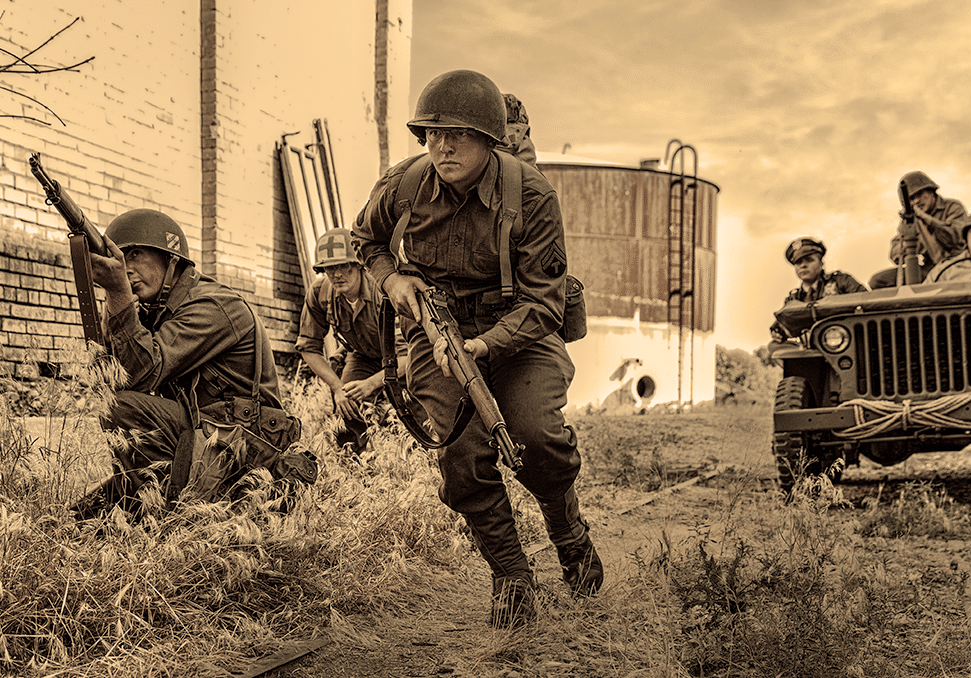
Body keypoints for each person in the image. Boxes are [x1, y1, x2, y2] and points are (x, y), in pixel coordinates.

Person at [351, 69, 602, 629]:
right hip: (435, 328)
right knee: (461, 458)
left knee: (536, 437)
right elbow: (365, 239)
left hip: (517, 330)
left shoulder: (531, 195)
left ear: (489, 139)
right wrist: (393, 279)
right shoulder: (403, 185)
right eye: (432, 135)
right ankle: (511, 575)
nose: (442, 147)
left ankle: (567, 532)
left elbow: (544, 304)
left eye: (457, 135)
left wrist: (485, 345)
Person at [73, 209, 300, 517]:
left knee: (120, 407)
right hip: (202, 437)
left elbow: (141, 375)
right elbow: (113, 378)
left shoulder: (213, 305)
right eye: (120, 258)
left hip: (241, 450)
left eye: (136, 254)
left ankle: (161, 513)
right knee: (79, 518)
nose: (126, 268)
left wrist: (118, 293)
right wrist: (112, 310)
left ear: (171, 259)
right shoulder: (159, 310)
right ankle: (149, 505)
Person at [296, 227, 407, 453]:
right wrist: (338, 388)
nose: (337, 274)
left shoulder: (383, 290)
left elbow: (409, 355)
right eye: (329, 268)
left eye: (343, 265)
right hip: (363, 356)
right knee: (347, 408)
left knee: (416, 416)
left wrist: (371, 384)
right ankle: (356, 465)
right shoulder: (319, 294)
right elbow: (308, 348)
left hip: (404, 359)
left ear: (358, 265)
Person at [868, 171, 967, 288]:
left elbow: (955, 237)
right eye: (911, 199)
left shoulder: (952, 207)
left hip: (957, 266)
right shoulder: (912, 219)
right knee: (877, 281)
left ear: (931, 191)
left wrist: (926, 219)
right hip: (929, 269)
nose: (916, 201)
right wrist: (911, 244)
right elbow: (895, 253)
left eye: (919, 194)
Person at [768, 237, 866, 354]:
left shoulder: (841, 281)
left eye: (809, 260)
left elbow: (866, 301)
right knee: (774, 346)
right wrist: (778, 332)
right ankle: (805, 364)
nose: (803, 265)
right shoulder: (793, 298)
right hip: (811, 351)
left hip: (844, 343)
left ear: (821, 263)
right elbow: (781, 326)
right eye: (798, 262)